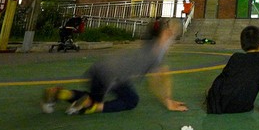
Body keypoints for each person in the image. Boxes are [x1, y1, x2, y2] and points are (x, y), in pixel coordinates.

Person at [41, 18, 188, 115]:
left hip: (99, 70)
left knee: (97, 95)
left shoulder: (151, 46)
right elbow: (158, 80)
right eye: (171, 32)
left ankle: (60, 93)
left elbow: (165, 74)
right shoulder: (155, 52)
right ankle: (91, 106)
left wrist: (168, 98)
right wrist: (167, 101)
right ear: (165, 33)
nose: (173, 36)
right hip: (110, 77)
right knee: (130, 101)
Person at [205, 25, 259, 117]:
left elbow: (225, 78)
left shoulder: (236, 57)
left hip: (218, 106)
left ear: (242, 45)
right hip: (243, 106)